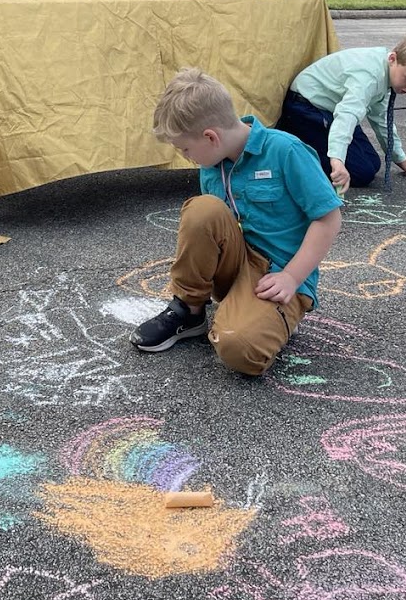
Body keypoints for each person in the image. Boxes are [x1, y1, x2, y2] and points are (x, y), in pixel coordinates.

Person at [131, 68, 343, 375]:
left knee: (238, 347)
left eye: (185, 149)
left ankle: (273, 317)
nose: (186, 156)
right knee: (203, 210)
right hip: (235, 263)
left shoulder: (286, 151)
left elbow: (328, 218)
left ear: (211, 137)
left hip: (276, 274)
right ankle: (189, 311)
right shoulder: (213, 163)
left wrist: (291, 277)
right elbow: (213, 229)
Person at [276, 34, 406, 194]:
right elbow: (347, 115)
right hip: (305, 109)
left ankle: (315, 146)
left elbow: (381, 118)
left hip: (330, 109)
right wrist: (337, 160)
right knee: (360, 173)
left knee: (372, 163)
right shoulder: (368, 76)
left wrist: (399, 157)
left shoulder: (387, 71)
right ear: (393, 59)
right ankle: (288, 153)